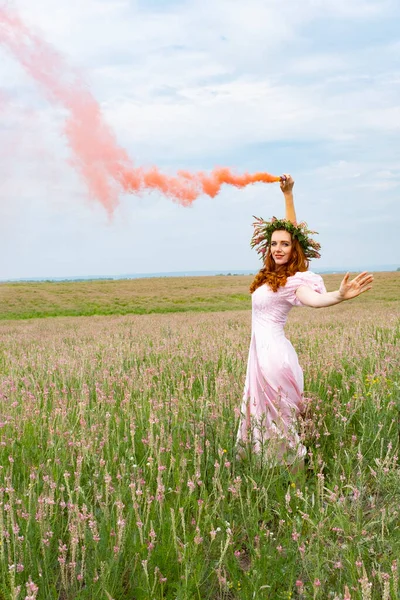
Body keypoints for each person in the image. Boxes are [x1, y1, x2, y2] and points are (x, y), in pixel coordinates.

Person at [235, 174, 373, 467]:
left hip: (273, 357)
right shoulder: (271, 276)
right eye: (274, 243)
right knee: (262, 415)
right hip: (260, 354)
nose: (278, 248)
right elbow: (290, 231)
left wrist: (338, 295)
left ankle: (293, 472)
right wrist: (287, 195)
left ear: (293, 249)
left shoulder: (293, 282)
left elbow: (314, 300)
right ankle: (269, 472)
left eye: (285, 244)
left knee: (278, 418)